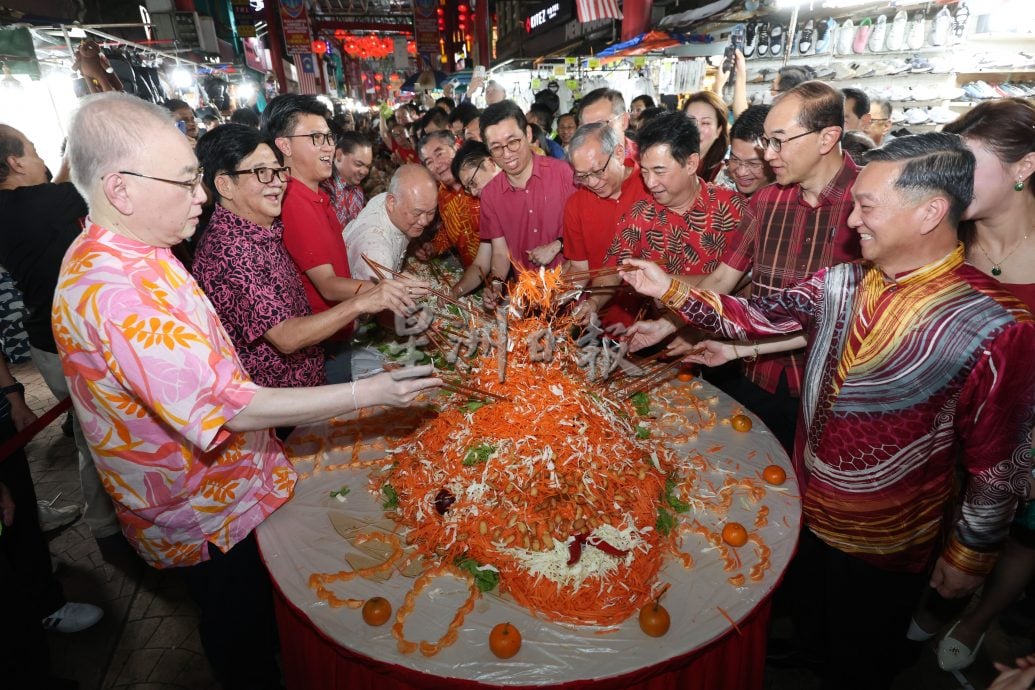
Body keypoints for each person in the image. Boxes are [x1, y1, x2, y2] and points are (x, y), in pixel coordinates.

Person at [53, 91, 441, 690]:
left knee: (261, 619)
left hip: (234, 488)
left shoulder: (139, 250)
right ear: (120, 189)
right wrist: (373, 394)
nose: (201, 196)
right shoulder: (117, 294)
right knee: (241, 634)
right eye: (186, 181)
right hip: (203, 513)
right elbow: (233, 406)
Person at [622, 132, 1035, 690]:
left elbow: (998, 462)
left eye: (867, 206)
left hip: (887, 534)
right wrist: (670, 288)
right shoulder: (843, 280)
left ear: (930, 212)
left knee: (860, 657)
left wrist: (969, 554)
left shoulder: (994, 324)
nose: (852, 220)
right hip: (807, 497)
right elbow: (756, 318)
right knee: (810, 620)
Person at [638, 81, 860, 454]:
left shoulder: (868, 201)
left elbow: (848, 316)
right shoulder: (766, 201)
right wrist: (669, 324)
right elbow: (723, 279)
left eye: (778, 142)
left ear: (827, 138)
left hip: (836, 388)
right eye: (766, 142)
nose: (768, 154)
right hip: (760, 372)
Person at [906, 98, 1035, 672]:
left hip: (1025, 428)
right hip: (944, 423)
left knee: (1020, 534)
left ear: (1023, 166)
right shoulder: (945, 234)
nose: (955, 179)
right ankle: (934, 602)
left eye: (971, 164)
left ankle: (978, 620)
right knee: (945, 522)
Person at [192, 124, 417, 393]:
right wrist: (362, 301)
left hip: (307, 379)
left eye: (278, 171)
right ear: (225, 184)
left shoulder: (263, 229)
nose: (277, 182)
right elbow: (285, 336)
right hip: (280, 402)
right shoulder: (230, 250)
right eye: (262, 173)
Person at [0, 125, 122, 545]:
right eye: (33, 151)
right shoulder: (47, 203)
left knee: (90, 433)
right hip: (73, 344)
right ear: (15, 162)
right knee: (102, 438)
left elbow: (53, 190)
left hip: (46, 343)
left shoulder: (13, 207)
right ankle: (108, 527)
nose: (40, 158)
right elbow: (70, 186)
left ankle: (106, 523)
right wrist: (78, 144)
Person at [263, 94, 379, 383]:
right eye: (316, 138)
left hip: (337, 333)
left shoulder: (316, 195)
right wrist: (381, 290)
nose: (328, 146)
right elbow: (327, 285)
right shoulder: (293, 201)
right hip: (323, 345)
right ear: (284, 145)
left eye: (329, 137)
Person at [591, 112, 744, 313]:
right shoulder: (639, 215)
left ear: (691, 164)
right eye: (644, 172)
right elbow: (612, 271)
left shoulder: (733, 209)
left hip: (723, 327)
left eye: (659, 171)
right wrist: (593, 303)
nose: (650, 183)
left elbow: (742, 279)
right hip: (655, 329)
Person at [562, 122, 651, 328]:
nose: (593, 183)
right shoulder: (576, 205)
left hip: (657, 318)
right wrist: (552, 297)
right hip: (604, 321)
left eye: (598, 171)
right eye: (582, 176)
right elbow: (579, 268)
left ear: (618, 153)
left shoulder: (651, 185)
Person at [479, 100, 576, 275]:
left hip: (571, 284)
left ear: (528, 134)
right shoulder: (490, 194)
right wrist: (496, 283)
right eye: (496, 147)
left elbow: (587, 232)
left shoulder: (564, 173)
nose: (507, 154)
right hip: (526, 289)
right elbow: (500, 254)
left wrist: (558, 245)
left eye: (513, 142)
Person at [343, 164, 438, 280]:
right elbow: (378, 291)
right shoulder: (377, 253)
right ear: (391, 202)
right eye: (417, 213)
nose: (424, 222)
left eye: (431, 212)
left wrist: (413, 246)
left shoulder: (397, 199)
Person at [415, 130, 482, 271]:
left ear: (456, 147)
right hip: (472, 274)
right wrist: (434, 246)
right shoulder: (440, 196)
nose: (437, 165)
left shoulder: (480, 181)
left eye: (439, 154)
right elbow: (450, 228)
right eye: (429, 162)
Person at [446, 141, 501, 298]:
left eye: (473, 182)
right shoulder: (489, 209)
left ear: (490, 163)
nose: (474, 192)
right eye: (468, 188)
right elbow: (481, 264)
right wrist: (455, 292)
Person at [714, 105, 774, 197]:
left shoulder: (788, 198)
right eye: (734, 159)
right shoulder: (723, 182)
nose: (741, 173)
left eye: (753, 163)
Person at [323, 131, 373, 229]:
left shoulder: (358, 191)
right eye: (358, 164)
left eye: (368, 166)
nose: (364, 171)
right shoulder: (324, 189)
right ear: (339, 155)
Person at [682, 91, 730, 183]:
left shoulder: (723, 175)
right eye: (690, 121)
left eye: (705, 123)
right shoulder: (668, 160)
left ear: (718, 130)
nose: (696, 129)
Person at [578, 88, 638, 161]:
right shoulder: (579, 161)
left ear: (623, 121)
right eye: (587, 127)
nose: (594, 133)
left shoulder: (643, 158)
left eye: (600, 124)